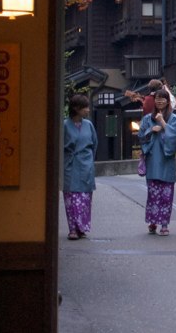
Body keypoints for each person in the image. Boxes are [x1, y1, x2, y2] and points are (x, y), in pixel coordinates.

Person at [138, 88, 176, 236]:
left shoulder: (174, 118)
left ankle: (164, 224)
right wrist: (151, 130)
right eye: (157, 98)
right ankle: (152, 221)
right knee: (153, 194)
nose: (160, 101)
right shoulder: (146, 119)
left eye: (163, 98)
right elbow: (141, 137)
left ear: (168, 101)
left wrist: (163, 123)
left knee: (166, 195)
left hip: (167, 161)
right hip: (153, 161)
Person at [63, 93, 97, 240]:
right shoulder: (64, 125)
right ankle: (73, 228)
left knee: (84, 199)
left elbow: (94, 144)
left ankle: (82, 227)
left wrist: (89, 160)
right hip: (70, 164)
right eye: (85, 107)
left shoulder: (88, 125)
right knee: (71, 199)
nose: (88, 110)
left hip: (85, 164)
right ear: (76, 108)